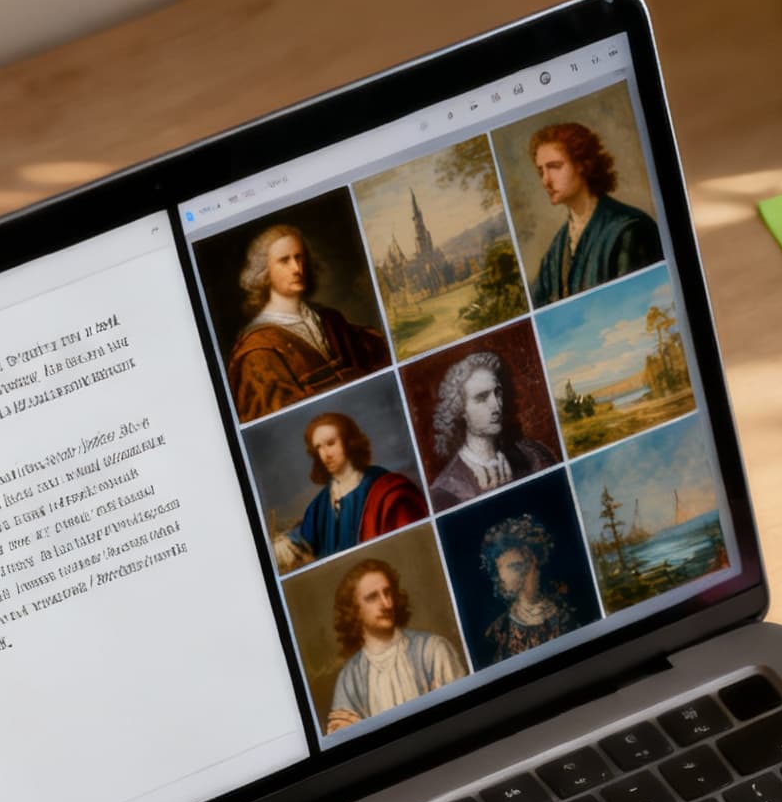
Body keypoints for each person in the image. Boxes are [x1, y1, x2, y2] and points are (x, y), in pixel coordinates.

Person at [227, 224, 392, 421]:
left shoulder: (330, 319)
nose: (297, 268)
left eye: (299, 257)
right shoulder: (257, 351)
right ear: (264, 272)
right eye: (284, 261)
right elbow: (279, 422)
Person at [272, 412, 430, 573]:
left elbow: (410, 547)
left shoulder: (387, 489)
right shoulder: (320, 503)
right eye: (318, 447)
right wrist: (284, 543)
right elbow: (304, 537)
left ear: (349, 443)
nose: (325, 454)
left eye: (331, 443)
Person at [323, 558, 468, 732]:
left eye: (388, 592)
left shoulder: (433, 649)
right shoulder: (349, 678)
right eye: (372, 597)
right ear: (354, 610)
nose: (386, 604)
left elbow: (463, 714)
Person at [526, 122, 662, 304]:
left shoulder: (630, 230)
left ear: (582, 164)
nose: (545, 180)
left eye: (554, 166)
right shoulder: (557, 249)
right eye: (541, 171)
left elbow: (639, 304)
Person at [424, 349, 559, 511]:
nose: (496, 405)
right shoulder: (445, 491)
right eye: (481, 398)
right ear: (460, 409)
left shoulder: (533, 454)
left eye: (498, 393)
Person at [474, 512, 580, 663]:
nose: (504, 577)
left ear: (535, 563)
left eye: (516, 566)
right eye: (506, 568)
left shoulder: (566, 615)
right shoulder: (497, 631)